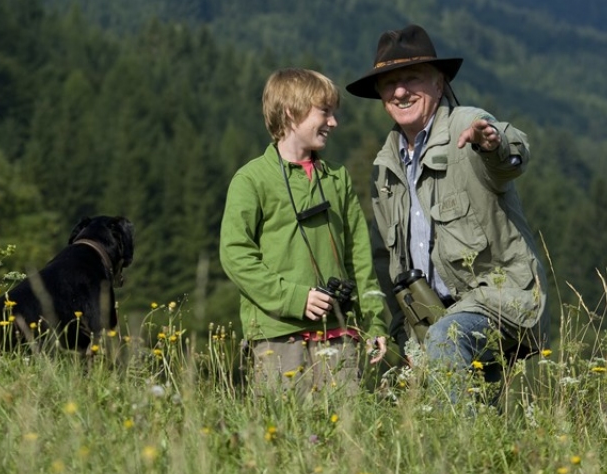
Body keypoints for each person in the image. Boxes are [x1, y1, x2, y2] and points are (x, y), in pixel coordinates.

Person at [345, 25, 549, 399]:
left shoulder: (465, 125)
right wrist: (399, 336)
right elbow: (384, 262)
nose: (401, 91)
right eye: (390, 83)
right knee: (410, 410)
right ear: (380, 94)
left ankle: (462, 452)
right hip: (430, 322)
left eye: (412, 78)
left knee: (445, 345)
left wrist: (494, 144)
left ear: (439, 84)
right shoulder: (384, 169)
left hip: (499, 304)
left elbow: (513, 154)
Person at [219, 68, 388, 397]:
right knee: (283, 438)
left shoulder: (337, 179)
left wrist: (375, 322)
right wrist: (295, 298)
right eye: (324, 112)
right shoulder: (251, 180)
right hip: (278, 337)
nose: (334, 122)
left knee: (347, 437)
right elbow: (235, 255)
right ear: (290, 113)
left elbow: (360, 257)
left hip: (341, 335)